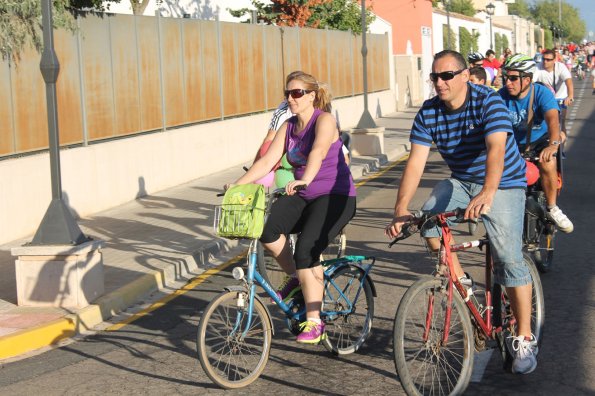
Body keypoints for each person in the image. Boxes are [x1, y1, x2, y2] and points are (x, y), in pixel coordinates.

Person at [386, 50, 539, 374]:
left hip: (505, 182)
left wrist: (488, 192)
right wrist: (401, 209)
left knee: (508, 258)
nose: (439, 83)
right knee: (427, 220)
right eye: (435, 76)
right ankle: (462, 282)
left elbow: (496, 148)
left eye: (447, 76)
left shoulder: (488, 101)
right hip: (463, 181)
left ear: (466, 76)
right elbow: (416, 162)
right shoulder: (429, 112)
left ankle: (525, 336)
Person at [227, 71, 356, 344]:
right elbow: (266, 162)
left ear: (311, 95)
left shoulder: (324, 120)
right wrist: (237, 186)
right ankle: (299, 279)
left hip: (335, 196)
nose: (290, 98)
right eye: (287, 93)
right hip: (303, 193)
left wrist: (305, 179)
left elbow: (318, 151)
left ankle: (315, 321)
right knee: (267, 230)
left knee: (308, 248)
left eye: (297, 93)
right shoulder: (287, 126)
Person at [499, 54, 573, 234]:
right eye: (505, 77)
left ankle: (552, 208)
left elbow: (553, 121)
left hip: (540, 142)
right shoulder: (500, 96)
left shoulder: (541, 93)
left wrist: (553, 145)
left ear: (527, 79)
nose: (508, 82)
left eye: (513, 78)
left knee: (548, 163)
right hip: (513, 145)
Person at [534, 49, 574, 143]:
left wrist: (570, 96)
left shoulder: (561, 67)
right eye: (543, 59)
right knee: (541, 122)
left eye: (548, 60)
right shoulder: (538, 67)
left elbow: (568, 81)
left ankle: (561, 148)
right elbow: (532, 82)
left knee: (560, 122)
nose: (545, 62)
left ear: (554, 60)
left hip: (560, 98)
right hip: (544, 99)